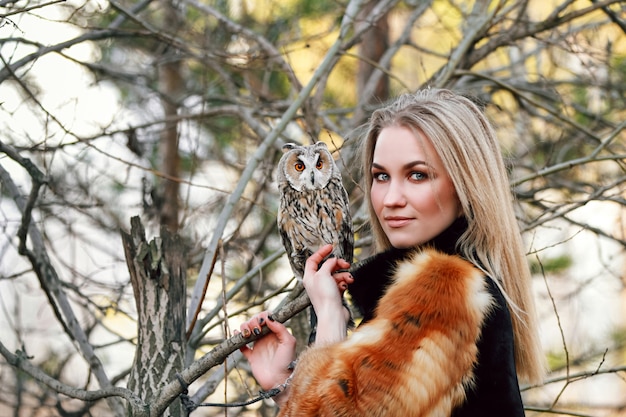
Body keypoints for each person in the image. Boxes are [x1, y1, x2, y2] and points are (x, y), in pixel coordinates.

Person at [238, 88, 544, 416]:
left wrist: (329, 317)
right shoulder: (443, 290)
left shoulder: (442, 292)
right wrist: (283, 387)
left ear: (465, 185)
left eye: (417, 175)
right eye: (381, 176)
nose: (390, 198)